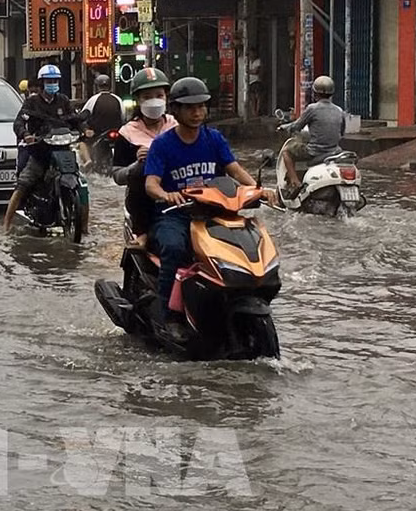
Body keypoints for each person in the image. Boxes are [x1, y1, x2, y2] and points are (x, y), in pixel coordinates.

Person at [144, 77, 274, 337]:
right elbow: (151, 184)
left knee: (249, 244)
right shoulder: (162, 145)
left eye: (202, 107)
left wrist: (259, 190)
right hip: (176, 215)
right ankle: (167, 314)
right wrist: (167, 195)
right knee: (174, 248)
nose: (197, 112)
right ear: (176, 110)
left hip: (215, 213)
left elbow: (234, 169)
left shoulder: (213, 139)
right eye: (190, 107)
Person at [2, 64, 87, 232]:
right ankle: (6, 225)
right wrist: (25, 134)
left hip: (63, 151)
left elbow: (74, 119)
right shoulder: (31, 102)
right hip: (40, 152)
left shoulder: (63, 100)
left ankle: (84, 227)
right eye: (49, 81)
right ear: (42, 84)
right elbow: (19, 122)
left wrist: (84, 130)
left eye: (55, 81)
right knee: (23, 184)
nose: (52, 84)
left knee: (82, 186)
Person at [111, 68, 176, 248]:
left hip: (178, 192)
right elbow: (117, 175)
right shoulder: (127, 133)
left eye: (159, 95)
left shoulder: (177, 126)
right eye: (147, 97)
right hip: (143, 199)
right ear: (138, 101)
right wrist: (135, 164)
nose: (154, 101)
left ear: (166, 97)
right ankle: (142, 233)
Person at [279, 75, 346, 196]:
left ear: (315, 93)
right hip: (335, 152)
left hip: (315, 152)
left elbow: (296, 126)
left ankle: (295, 183)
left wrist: (284, 127)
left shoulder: (312, 109)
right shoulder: (339, 110)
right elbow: (341, 133)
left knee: (286, 152)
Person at [82, 73, 125, 168]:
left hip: (98, 133)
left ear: (96, 87)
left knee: (82, 142)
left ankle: (88, 161)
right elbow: (123, 117)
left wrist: (85, 128)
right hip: (117, 132)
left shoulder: (93, 100)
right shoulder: (118, 99)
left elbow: (83, 116)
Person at [247, 47, 263, 118]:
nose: (251, 55)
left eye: (252, 53)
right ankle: (254, 113)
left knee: (258, 97)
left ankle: (257, 111)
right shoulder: (248, 61)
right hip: (250, 82)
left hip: (256, 81)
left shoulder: (258, 61)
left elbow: (255, 71)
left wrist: (248, 71)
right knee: (252, 98)